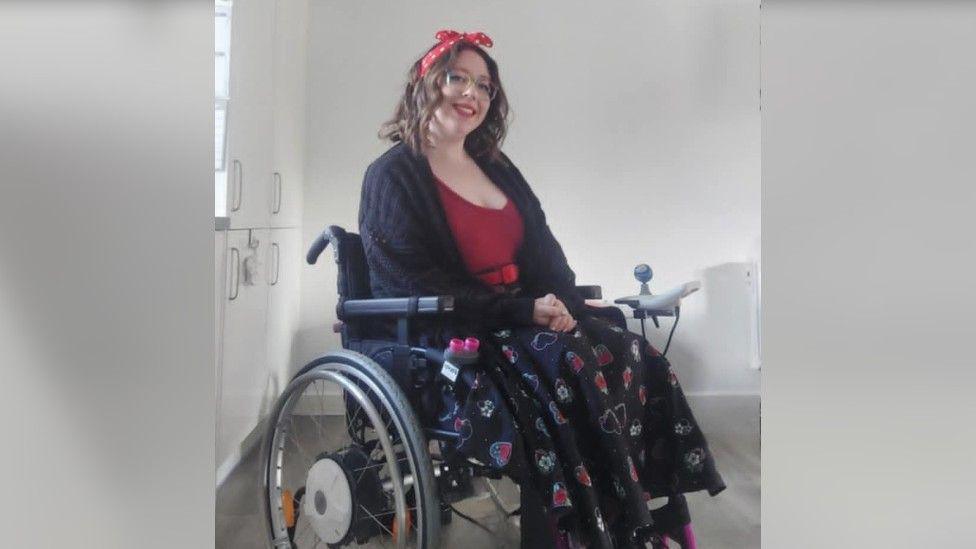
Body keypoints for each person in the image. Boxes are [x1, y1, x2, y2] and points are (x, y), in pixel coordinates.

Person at [359, 30, 725, 548]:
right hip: (456, 329)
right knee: (568, 366)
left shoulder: (497, 167)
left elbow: (543, 254)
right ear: (426, 84)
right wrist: (524, 310)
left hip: (523, 317)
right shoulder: (391, 176)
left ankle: (634, 516)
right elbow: (415, 283)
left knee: (629, 351)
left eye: (484, 86)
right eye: (457, 78)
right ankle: (580, 529)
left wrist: (570, 305)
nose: (472, 94)